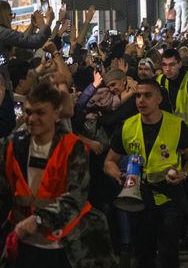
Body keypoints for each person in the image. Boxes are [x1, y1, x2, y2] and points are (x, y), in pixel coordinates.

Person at [0, 82, 115, 268]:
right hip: (24, 245)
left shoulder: (72, 147)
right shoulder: (13, 145)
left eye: (40, 113)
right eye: (28, 112)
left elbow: (75, 197)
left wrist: (38, 220)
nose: (32, 119)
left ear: (56, 114)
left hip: (65, 245)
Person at [104, 80, 188, 268]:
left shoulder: (176, 125)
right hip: (137, 198)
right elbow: (109, 162)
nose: (141, 100)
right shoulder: (127, 126)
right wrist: (119, 175)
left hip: (169, 197)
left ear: (159, 99)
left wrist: (183, 174)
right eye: (138, 95)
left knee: (168, 253)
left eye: (147, 95)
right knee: (142, 254)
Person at [0, 1, 54, 91]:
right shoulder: (2, 33)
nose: (12, 19)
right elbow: (35, 41)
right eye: (11, 15)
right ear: (4, 16)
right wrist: (47, 23)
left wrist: (32, 26)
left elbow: (18, 44)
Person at [157, 49, 188, 125]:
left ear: (179, 64)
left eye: (172, 65)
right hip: (167, 127)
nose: (167, 69)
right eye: (164, 65)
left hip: (187, 129)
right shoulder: (159, 80)